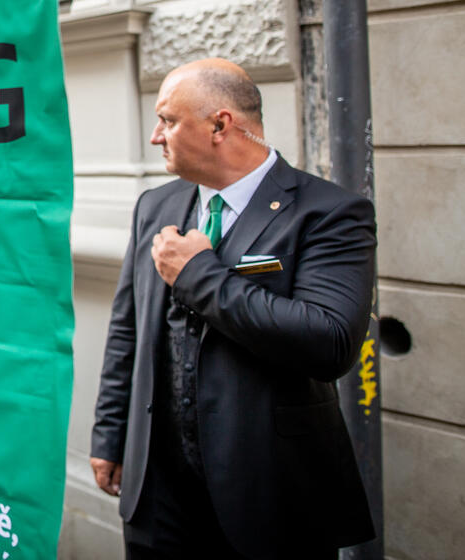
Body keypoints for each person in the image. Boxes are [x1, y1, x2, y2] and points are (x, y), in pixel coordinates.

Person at [90, 58, 376, 558]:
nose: (157, 136)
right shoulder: (155, 206)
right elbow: (127, 329)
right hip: (159, 491)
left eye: (169, 120)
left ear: (220, 125)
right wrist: (111, 436)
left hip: (271, 494)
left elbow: (329, 342)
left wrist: (198, 275)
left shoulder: (328, 213)